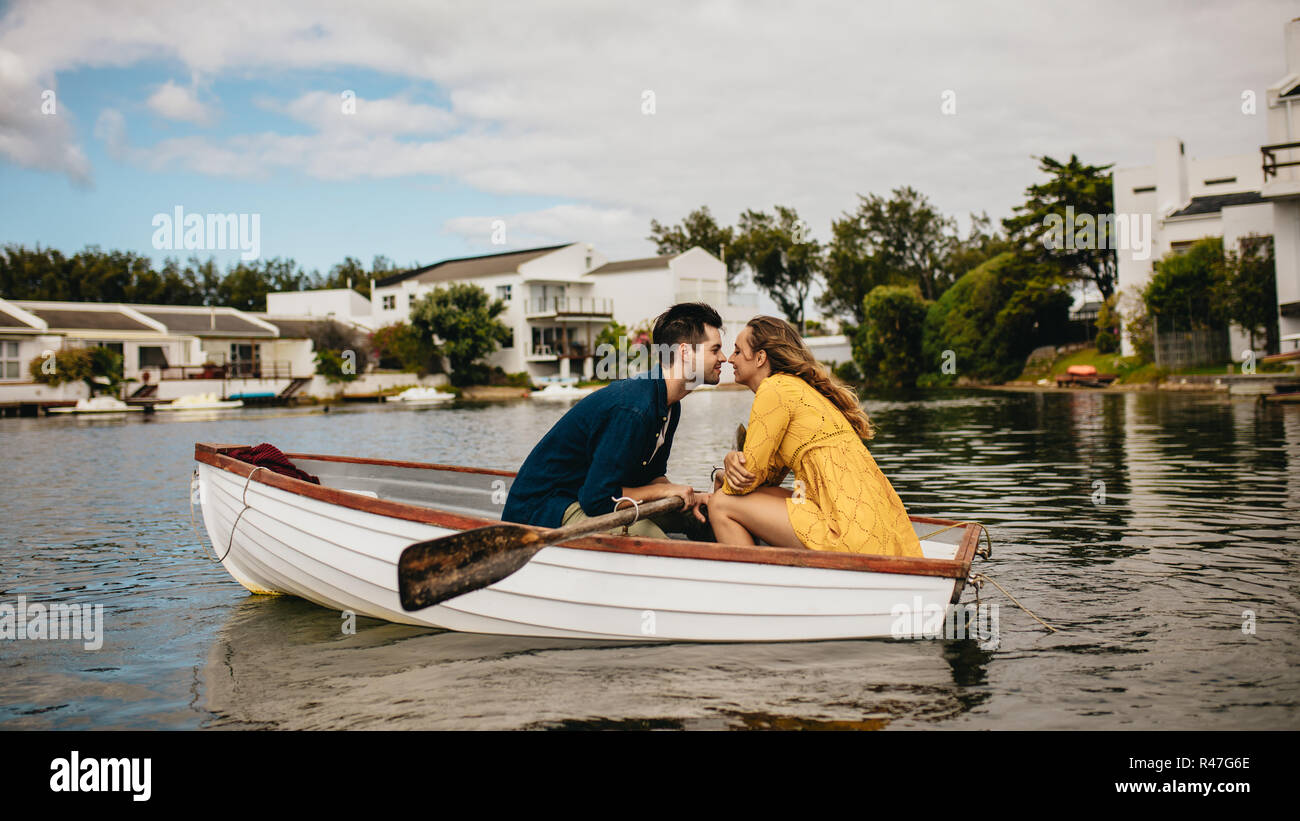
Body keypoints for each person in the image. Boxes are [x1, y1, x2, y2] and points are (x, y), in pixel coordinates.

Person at [501, 302, 727, 539]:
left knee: (702, 514)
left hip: (593, 496)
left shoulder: (670, 405)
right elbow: (597, 500)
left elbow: (651, 476)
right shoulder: (634, 409)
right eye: (715, 349)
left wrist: (686, 496)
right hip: (548, 508)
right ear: (684, 353)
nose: (724, 358)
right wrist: (665, 490)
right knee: (651, 537)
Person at [707, 316, 923, 557]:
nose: (730, 359)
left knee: (721, 504)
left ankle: (754, 585)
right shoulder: (798, 388)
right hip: (875, 527)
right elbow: (764, 481)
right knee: (750, 494)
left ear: (760, 358)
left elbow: (744, 482)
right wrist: (727, 471)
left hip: (844, 531)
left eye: (737, 351)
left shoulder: (774, 389)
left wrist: (725, 470)